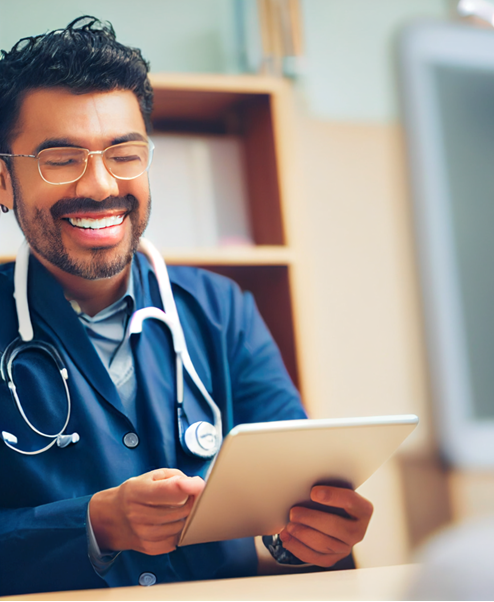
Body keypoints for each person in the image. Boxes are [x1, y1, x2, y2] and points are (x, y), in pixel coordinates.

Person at [0, 16, 373, 596]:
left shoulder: (222, 310)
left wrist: (309, 536)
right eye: (61, 159)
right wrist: (95, 525)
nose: (100, 185)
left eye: (124, 153)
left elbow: (293, 498)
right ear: (3, 181)